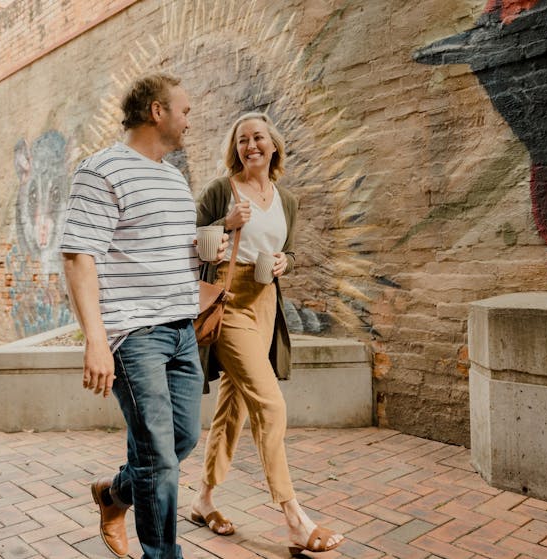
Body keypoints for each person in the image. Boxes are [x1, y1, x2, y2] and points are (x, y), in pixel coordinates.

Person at [59, 72, 227, 559]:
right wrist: (96, 339)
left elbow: (173, 254)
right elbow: (78, 257)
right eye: (185, 111)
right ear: (158, 112)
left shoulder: (174, 179)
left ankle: (113, 494)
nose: (188, 122)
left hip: (181, 330)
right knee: (159, 459)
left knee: (182, 439)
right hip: (135, 335)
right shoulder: (102, 170)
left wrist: (210, 250)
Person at [192, 112, 344, 555]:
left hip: (265, 302)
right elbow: (190, 241)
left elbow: (288, 250)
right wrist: (225, 225)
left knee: (233, 406)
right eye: (242, 140)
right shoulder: (222, 190)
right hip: (229, 299)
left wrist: (285, 263)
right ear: (234, 148)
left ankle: (203, 500)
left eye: (258, 138)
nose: (250, 145)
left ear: (273, 145)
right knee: (270, 403)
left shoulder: (286, 199)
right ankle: (294, 516)